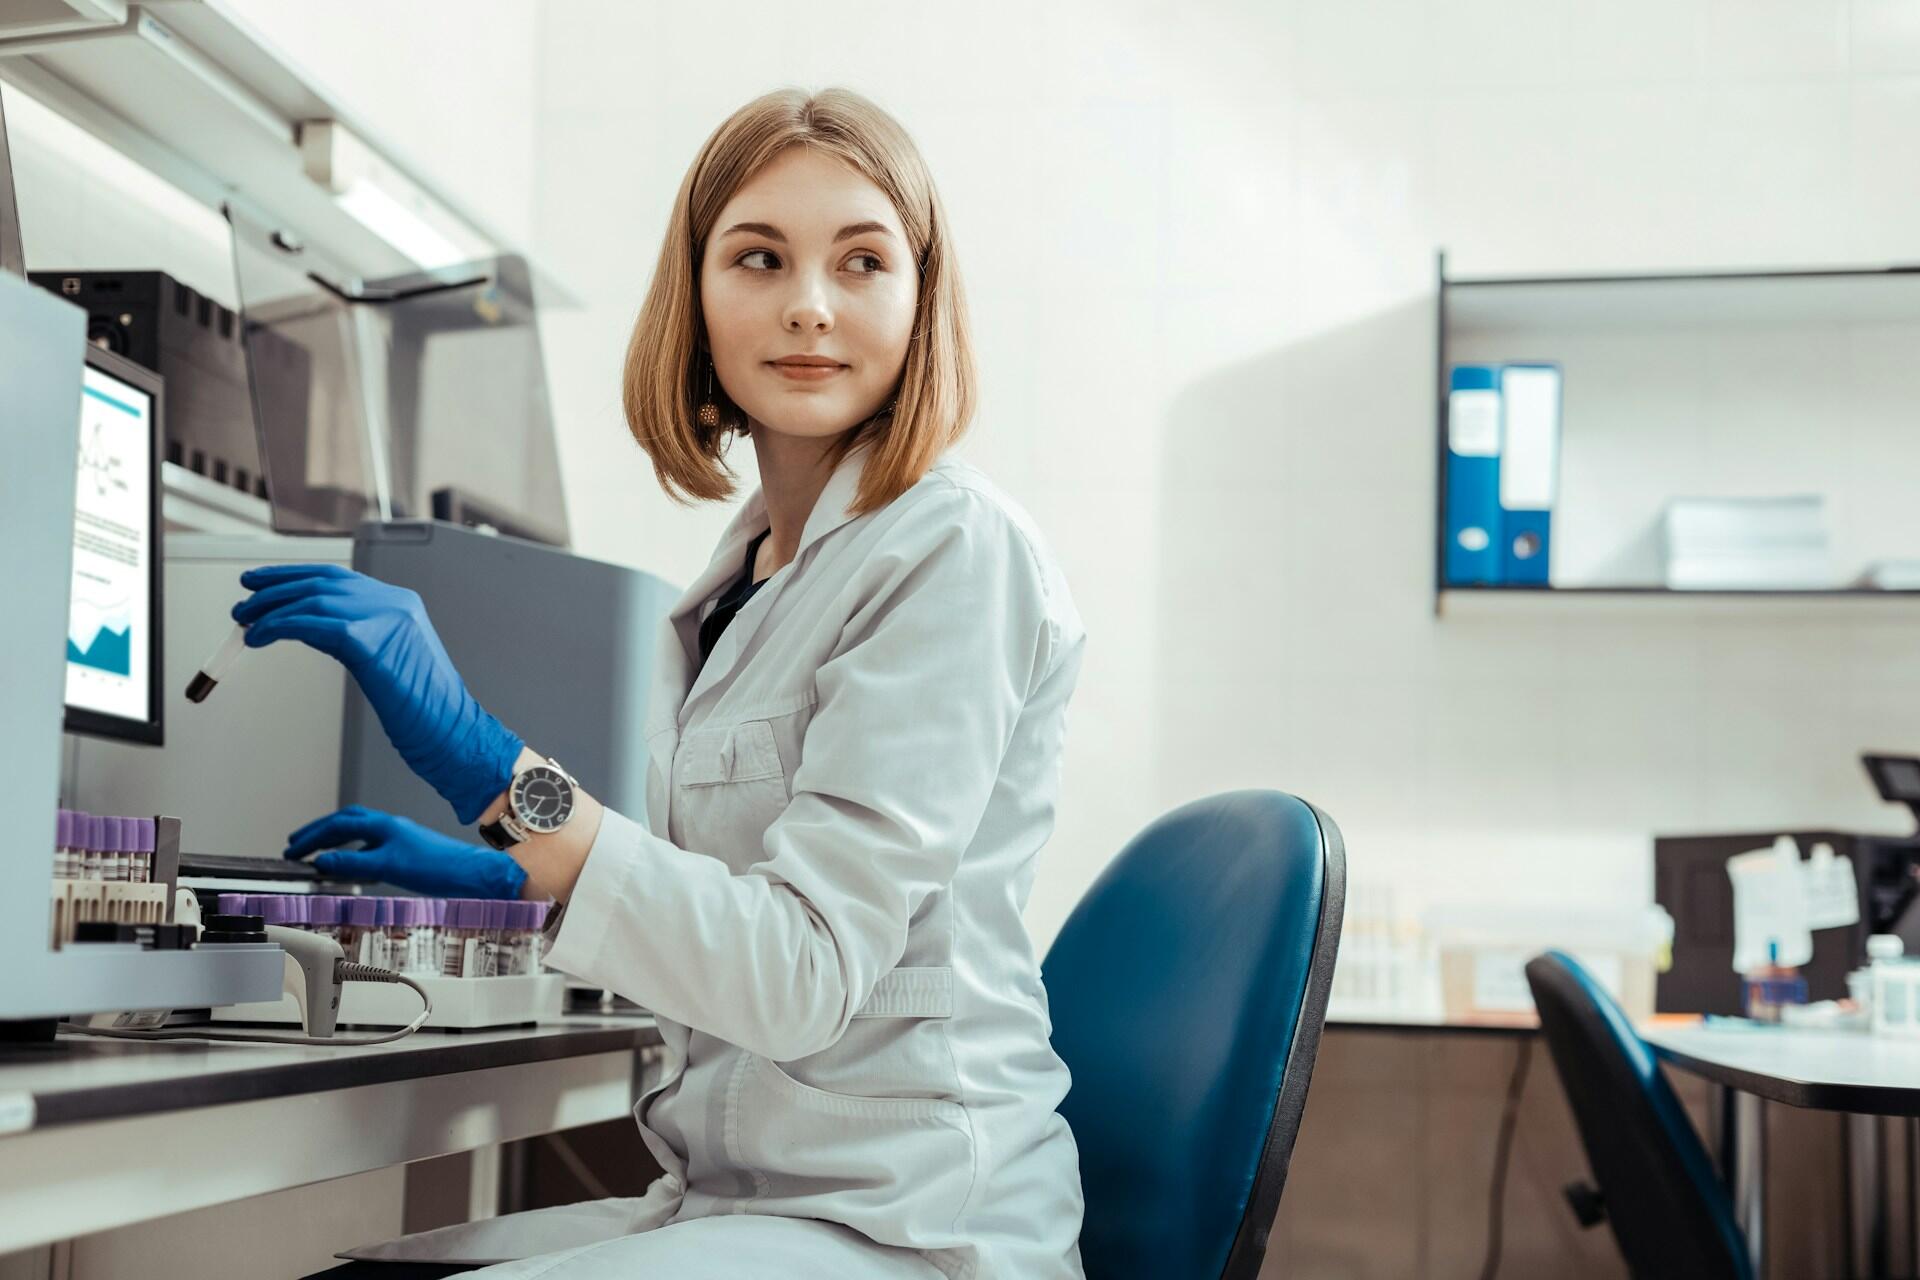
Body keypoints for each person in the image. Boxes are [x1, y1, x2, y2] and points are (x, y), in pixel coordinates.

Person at [256, 88, 1089, 1280]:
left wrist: (496, 773)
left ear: (921, 297)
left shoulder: (953, 549)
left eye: (863, 261)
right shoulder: (744, 577)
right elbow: (716, 917)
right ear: (695, 295)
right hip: (741, 1201)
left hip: (914, 1223)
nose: (810, 304)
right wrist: (509, 882)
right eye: (759, 257)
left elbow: (798, 974)